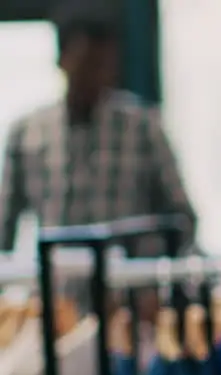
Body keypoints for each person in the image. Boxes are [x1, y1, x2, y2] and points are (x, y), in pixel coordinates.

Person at [0, 3, 197, 257]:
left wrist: (156, 275)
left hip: (129, 288)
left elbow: (181, 218)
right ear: (63, 60)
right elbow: (4, 226)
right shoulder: (27, 133)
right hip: (58, 289)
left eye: (104, 65)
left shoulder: (144, 129)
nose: (97, 76)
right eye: (86, 64)